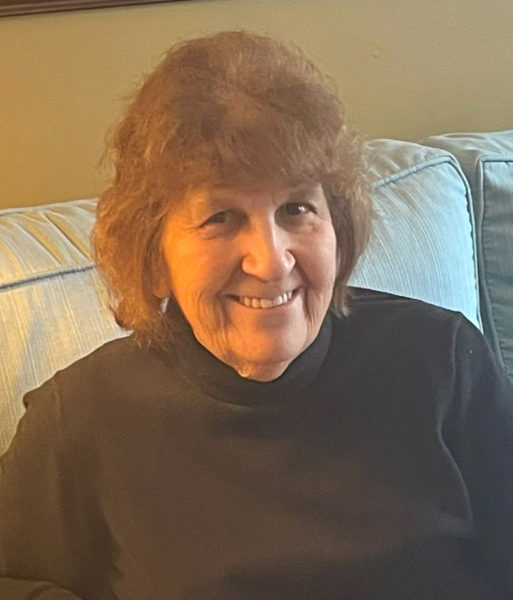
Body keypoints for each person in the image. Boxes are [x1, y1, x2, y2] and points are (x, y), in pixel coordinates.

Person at [1, 30, 512, 600]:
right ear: (154, 256)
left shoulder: (442, 362)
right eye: (220, 217)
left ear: (338, 230)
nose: (270, 262)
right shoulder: (85, 417)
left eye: (297, 208)